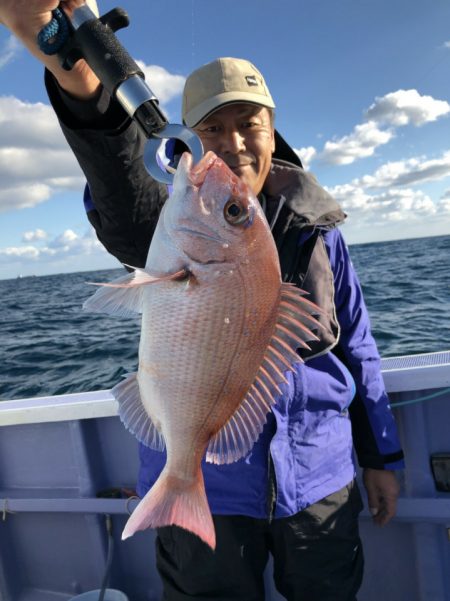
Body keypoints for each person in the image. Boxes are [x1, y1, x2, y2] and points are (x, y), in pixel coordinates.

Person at [1, 3, 405, 600]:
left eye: (250, 123)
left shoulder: (321, 232)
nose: (234, 144)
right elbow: (120, 184)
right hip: (208, 491)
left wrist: (384, 459)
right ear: (186, 140)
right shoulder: (167, 216)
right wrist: (74, 69)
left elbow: (359, 352)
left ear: (274, 129)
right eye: (213, 128)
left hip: (322, 481)